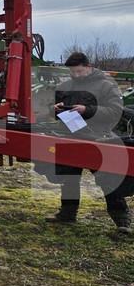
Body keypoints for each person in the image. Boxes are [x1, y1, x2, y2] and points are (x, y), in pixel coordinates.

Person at [40, 51, 132, 234]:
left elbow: (115, 111)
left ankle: (122, 221)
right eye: (72, 72)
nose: (75, 75)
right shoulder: (66, 86)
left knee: (108, 179)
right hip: (71, 136)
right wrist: (54, 109)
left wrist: (87, 110)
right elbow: (52, 111)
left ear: (88, 67)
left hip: (100, 137)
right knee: (68, 178)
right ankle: (67, 214)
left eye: (79, 71)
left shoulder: (106, 86)